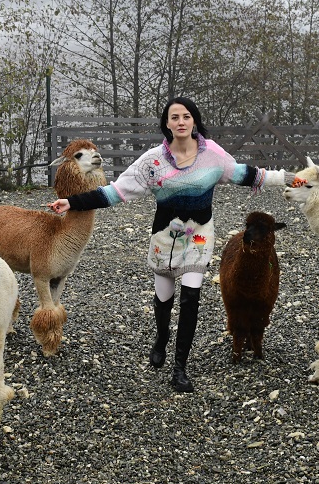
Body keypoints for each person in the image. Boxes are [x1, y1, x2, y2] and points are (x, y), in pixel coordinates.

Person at [49, 96, 295, 393]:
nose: (181, 121)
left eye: (186, 116)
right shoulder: (152, 161)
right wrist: (72, 202)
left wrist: (288, 178)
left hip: (200, 234)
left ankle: (180, 368)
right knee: (164, 298)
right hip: (164, 236)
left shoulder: (213, 155)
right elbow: (116, 192)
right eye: (174, 117)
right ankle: (161, 337)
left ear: (194, 121)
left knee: (191, 297)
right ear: (166, 123)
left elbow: (247, 174)